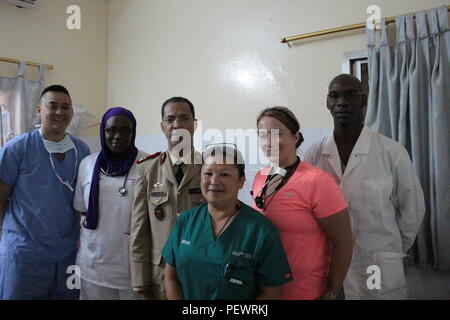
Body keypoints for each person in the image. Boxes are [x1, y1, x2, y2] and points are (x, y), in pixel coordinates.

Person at [304, 74, 425, 299]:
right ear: (328, 103)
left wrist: (390, 249)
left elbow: (413, 211)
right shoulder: (314, 154)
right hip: (332, 265)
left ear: (363, 100)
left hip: (377, 262)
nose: (342, 102)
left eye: (350, 95)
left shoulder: (392, 153)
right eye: (335, 96)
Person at [162, 145, 293, 300]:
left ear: (240, 181)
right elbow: (170, 278)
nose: (214, 181)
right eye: (208, 173)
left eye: (224, 174)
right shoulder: (185, 221)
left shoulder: (261, 230)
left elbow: (271, 292)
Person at [252, 106, 353, 300]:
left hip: (307, 292)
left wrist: (332, 291)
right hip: (267, 291)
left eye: (277, 134)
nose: (269, 142)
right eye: (263, 136)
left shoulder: (317, 181)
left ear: (295, 137)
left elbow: (344, 243)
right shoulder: (260, 177)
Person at [0, 85, 90, 300]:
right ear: (39, 110)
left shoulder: (81, 150)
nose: (60, 112)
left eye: (65, 107)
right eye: (53, 106)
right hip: (24, 253)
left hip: (68, 254)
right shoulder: (18, 149)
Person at [130, 97, 205, 300]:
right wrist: (139, 285)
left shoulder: (209, 168)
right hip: (159, 278)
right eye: (170, 119)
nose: (177, 125)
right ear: (162, 126)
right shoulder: (147, 169)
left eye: (184, 118)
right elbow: (140, 231)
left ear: (194, 124)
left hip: (200, 275)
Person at [73, 107, 147, 300]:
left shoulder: (148, 164)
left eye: (125, 130)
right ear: (103, 131)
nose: (117, 136)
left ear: (133, 132)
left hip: (133, 267)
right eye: (111, 130)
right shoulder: (87, 164)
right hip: (94, 265)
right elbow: (82, 212)